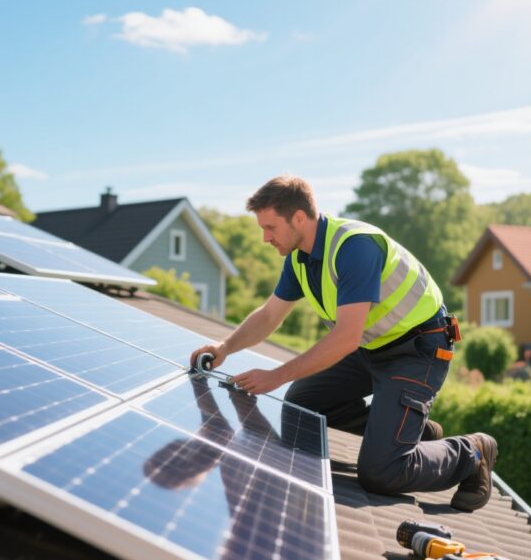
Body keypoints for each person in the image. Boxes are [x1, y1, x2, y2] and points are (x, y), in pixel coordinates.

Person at [189, 175, 497, 511]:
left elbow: (346, 337)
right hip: (371, 346)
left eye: (270, 227)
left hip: (418, 349)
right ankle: (409, 432)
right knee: (303, 404)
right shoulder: (299, 259)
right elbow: (268, 316)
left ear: (298, 218)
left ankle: (473, 452)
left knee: (382, 473)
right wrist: (224, 347)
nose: (265, 238)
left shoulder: (355, 247)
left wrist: (276, 376)